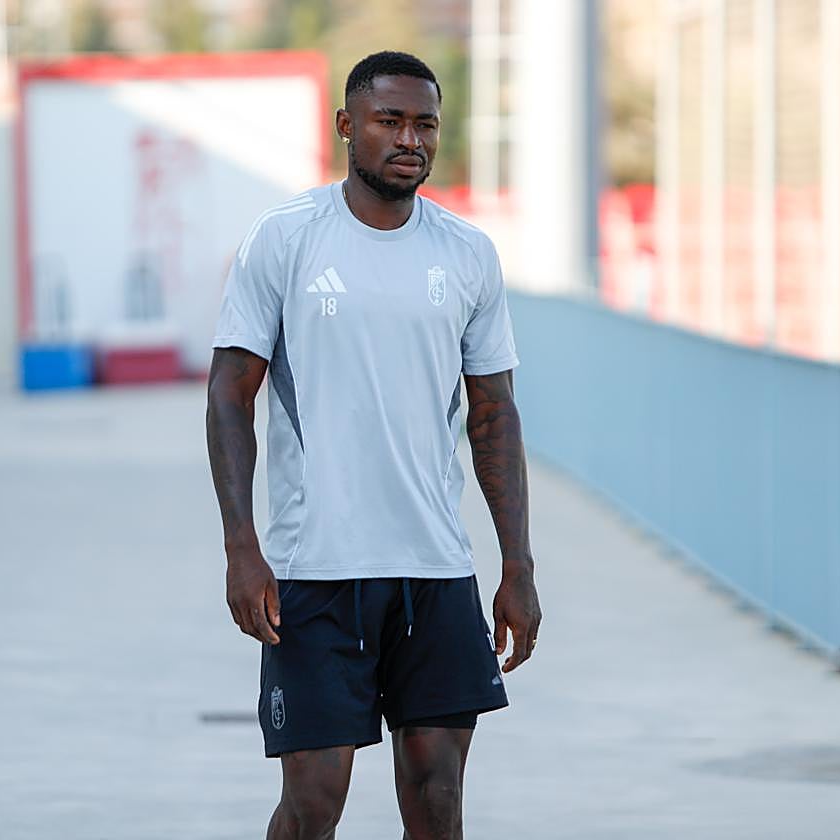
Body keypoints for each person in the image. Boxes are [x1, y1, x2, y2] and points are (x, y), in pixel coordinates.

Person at [206, 50, 541, 840]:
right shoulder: (285, 239)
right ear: (346, 127)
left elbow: (494, 415)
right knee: (314, 802)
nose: (409, 139)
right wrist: (240, 546)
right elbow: (229, 396)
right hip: (314, 570)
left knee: (438, 799)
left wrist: (517, 566)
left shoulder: (467, 254)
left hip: (435, 569)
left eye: (425, 123)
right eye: (389, 121)